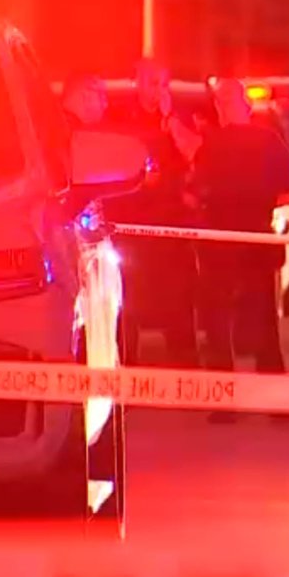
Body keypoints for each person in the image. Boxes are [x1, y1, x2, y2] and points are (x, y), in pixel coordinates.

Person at [187, 78, 289, 424]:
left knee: (220, 325)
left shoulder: (211, 145)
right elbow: (286, 195)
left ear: (221, 108)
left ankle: (225, 404)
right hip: (255, 239)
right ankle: (278, 406)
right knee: (262, 324)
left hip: (221, 242)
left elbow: (193, 193)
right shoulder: (269, 141)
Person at [102, 59, 201, 368]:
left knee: (178, 301)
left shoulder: (178, 117)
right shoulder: (119, 117)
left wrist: (171, 121)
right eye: (152, 83)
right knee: (128, 301)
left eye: (163, 84)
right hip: (131, 223)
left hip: (171, 223)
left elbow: (195, 154)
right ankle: (126, 364)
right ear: (137, 82)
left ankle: (184, 368)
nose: (158, 91)